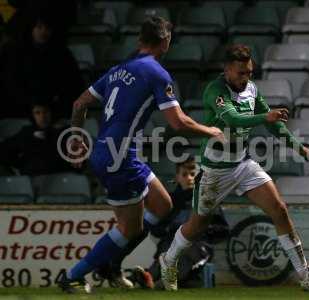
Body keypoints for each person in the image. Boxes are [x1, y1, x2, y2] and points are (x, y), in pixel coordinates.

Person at [58, 16, 224, 294]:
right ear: (166, 41)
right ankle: (73, 276)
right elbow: (178, 122)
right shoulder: (156, 73)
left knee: (162, 205)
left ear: (140, 40)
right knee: (127, 229)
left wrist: (75, 136)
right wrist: (211, 131)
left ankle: (110, 266)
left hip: (112, 152)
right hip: (119, 158)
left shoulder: (117, 70)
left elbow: (79, 103)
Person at [159, 44, 309, 291]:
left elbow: (274, 124)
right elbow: (233, 119)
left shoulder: (252, 90)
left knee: (279, 209)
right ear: (227, 70)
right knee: (198, 225)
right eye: (241, 73)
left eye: (250, 72)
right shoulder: (215, 90)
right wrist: (265, 117)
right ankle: (169, 260)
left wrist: (300, 148)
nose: (246, 78)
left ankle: (304, 273)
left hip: (243, 164)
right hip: (214, 169)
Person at [128, 155, 228, 289]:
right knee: (167, 253)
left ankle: (155, 282)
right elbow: (157, 229)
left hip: (198, 245)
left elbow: (223, 229)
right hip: (170, 243)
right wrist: (169, 229)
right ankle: (148, 277)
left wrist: (202, 229)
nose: (189, 178)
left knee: (185, 253)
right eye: (185, 174)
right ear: (177, 177)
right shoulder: (170, 201)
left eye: (193, 174)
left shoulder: (208, 198)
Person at [0, 9, 83, 119]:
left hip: (55, 112)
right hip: (20, 111)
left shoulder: (63, 54)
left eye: (47, 28)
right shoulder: (15, 53)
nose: (43, 31)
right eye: (39, 27)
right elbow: (12, 83)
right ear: (32, 29)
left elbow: (73, 84)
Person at [0, 101, 73, 176]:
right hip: (31, 177)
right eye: (37, 113)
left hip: (59, 177)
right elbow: (4, 150)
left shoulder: (64, 131)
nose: (42, 116)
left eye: (46, 112)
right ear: (33, 115)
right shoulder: (27, 132)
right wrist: (19, 164)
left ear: (51, 113)